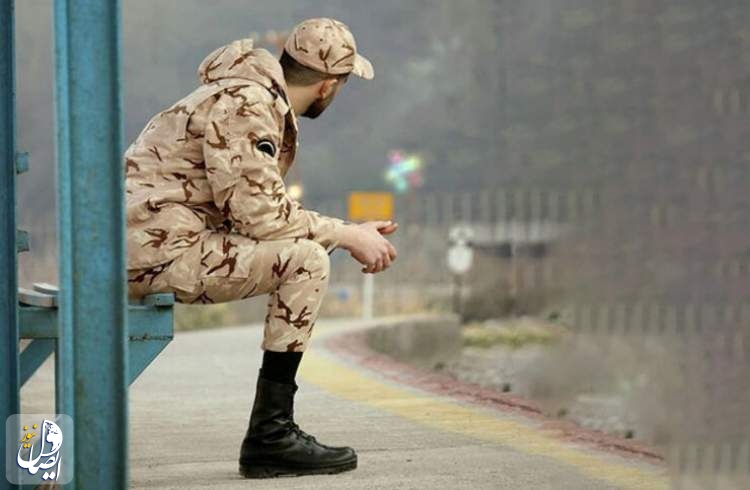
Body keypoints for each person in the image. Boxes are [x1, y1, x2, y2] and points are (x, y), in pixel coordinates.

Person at [124, 18, 397, 478]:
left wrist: (347, 231)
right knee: (306, 262)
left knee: (303, 249)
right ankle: (271, 435)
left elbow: (252, 214)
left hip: (147, 245)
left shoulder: (242, 93)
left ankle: (272, 433)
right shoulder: (247, 105)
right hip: (158, 252)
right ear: (329, 86)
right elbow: (264, 218)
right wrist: (348, 235)